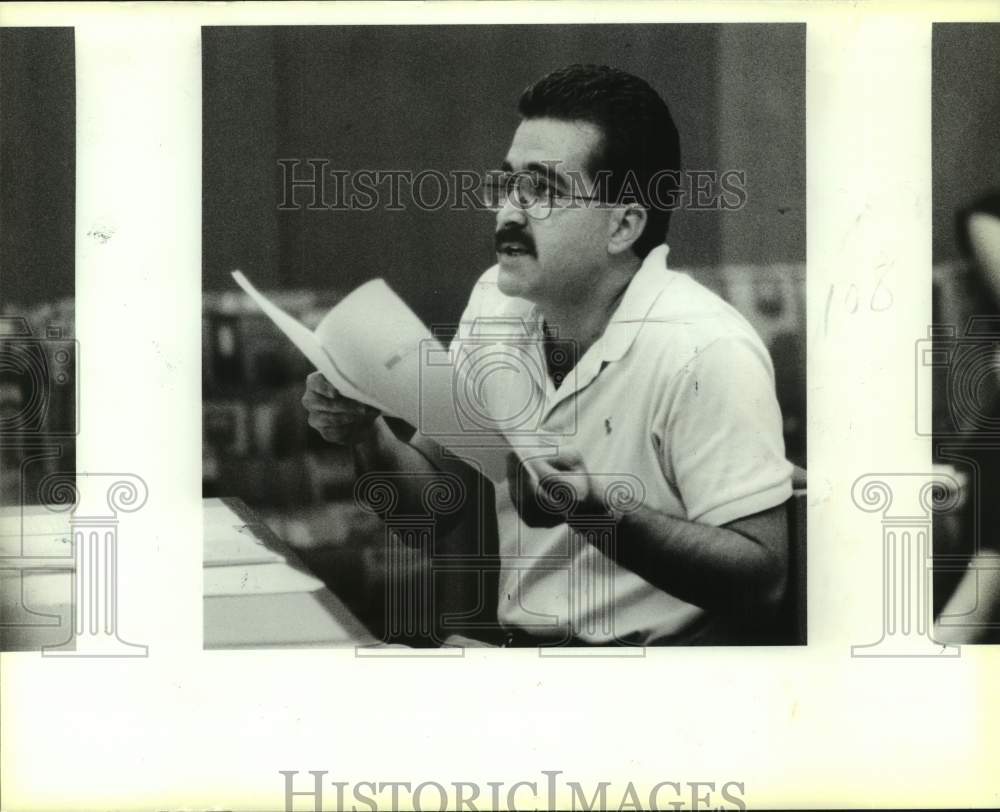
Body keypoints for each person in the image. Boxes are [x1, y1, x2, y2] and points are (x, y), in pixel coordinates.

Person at [302, 64, 794, 645]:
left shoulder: (705, 348)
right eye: (507, 184)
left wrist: (594, 512)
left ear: (623, 224)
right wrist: (367, 433)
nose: (509, 211)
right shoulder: (496, 303)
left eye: (542, 190)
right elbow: (435, 510)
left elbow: (762, 576)